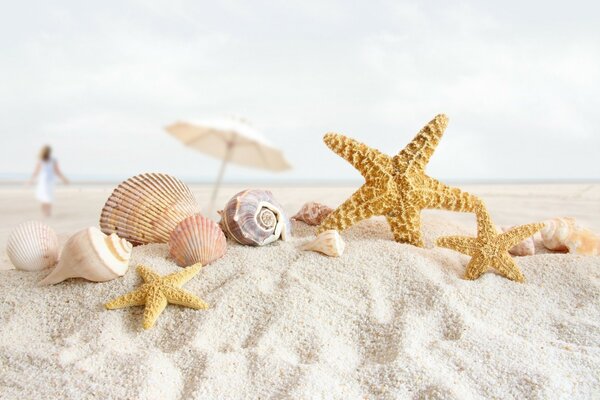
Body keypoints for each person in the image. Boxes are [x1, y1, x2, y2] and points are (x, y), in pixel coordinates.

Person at [29, 145, 69, 217]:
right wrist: (31, 180)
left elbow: (57, 171)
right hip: (43, 181)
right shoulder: (41, 160)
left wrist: (64, 179)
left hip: (49, 181)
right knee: (44, 197)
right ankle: (45, 213)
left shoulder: (53, 160)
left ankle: (47, 213)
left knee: (48, 197)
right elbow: (36, 171)